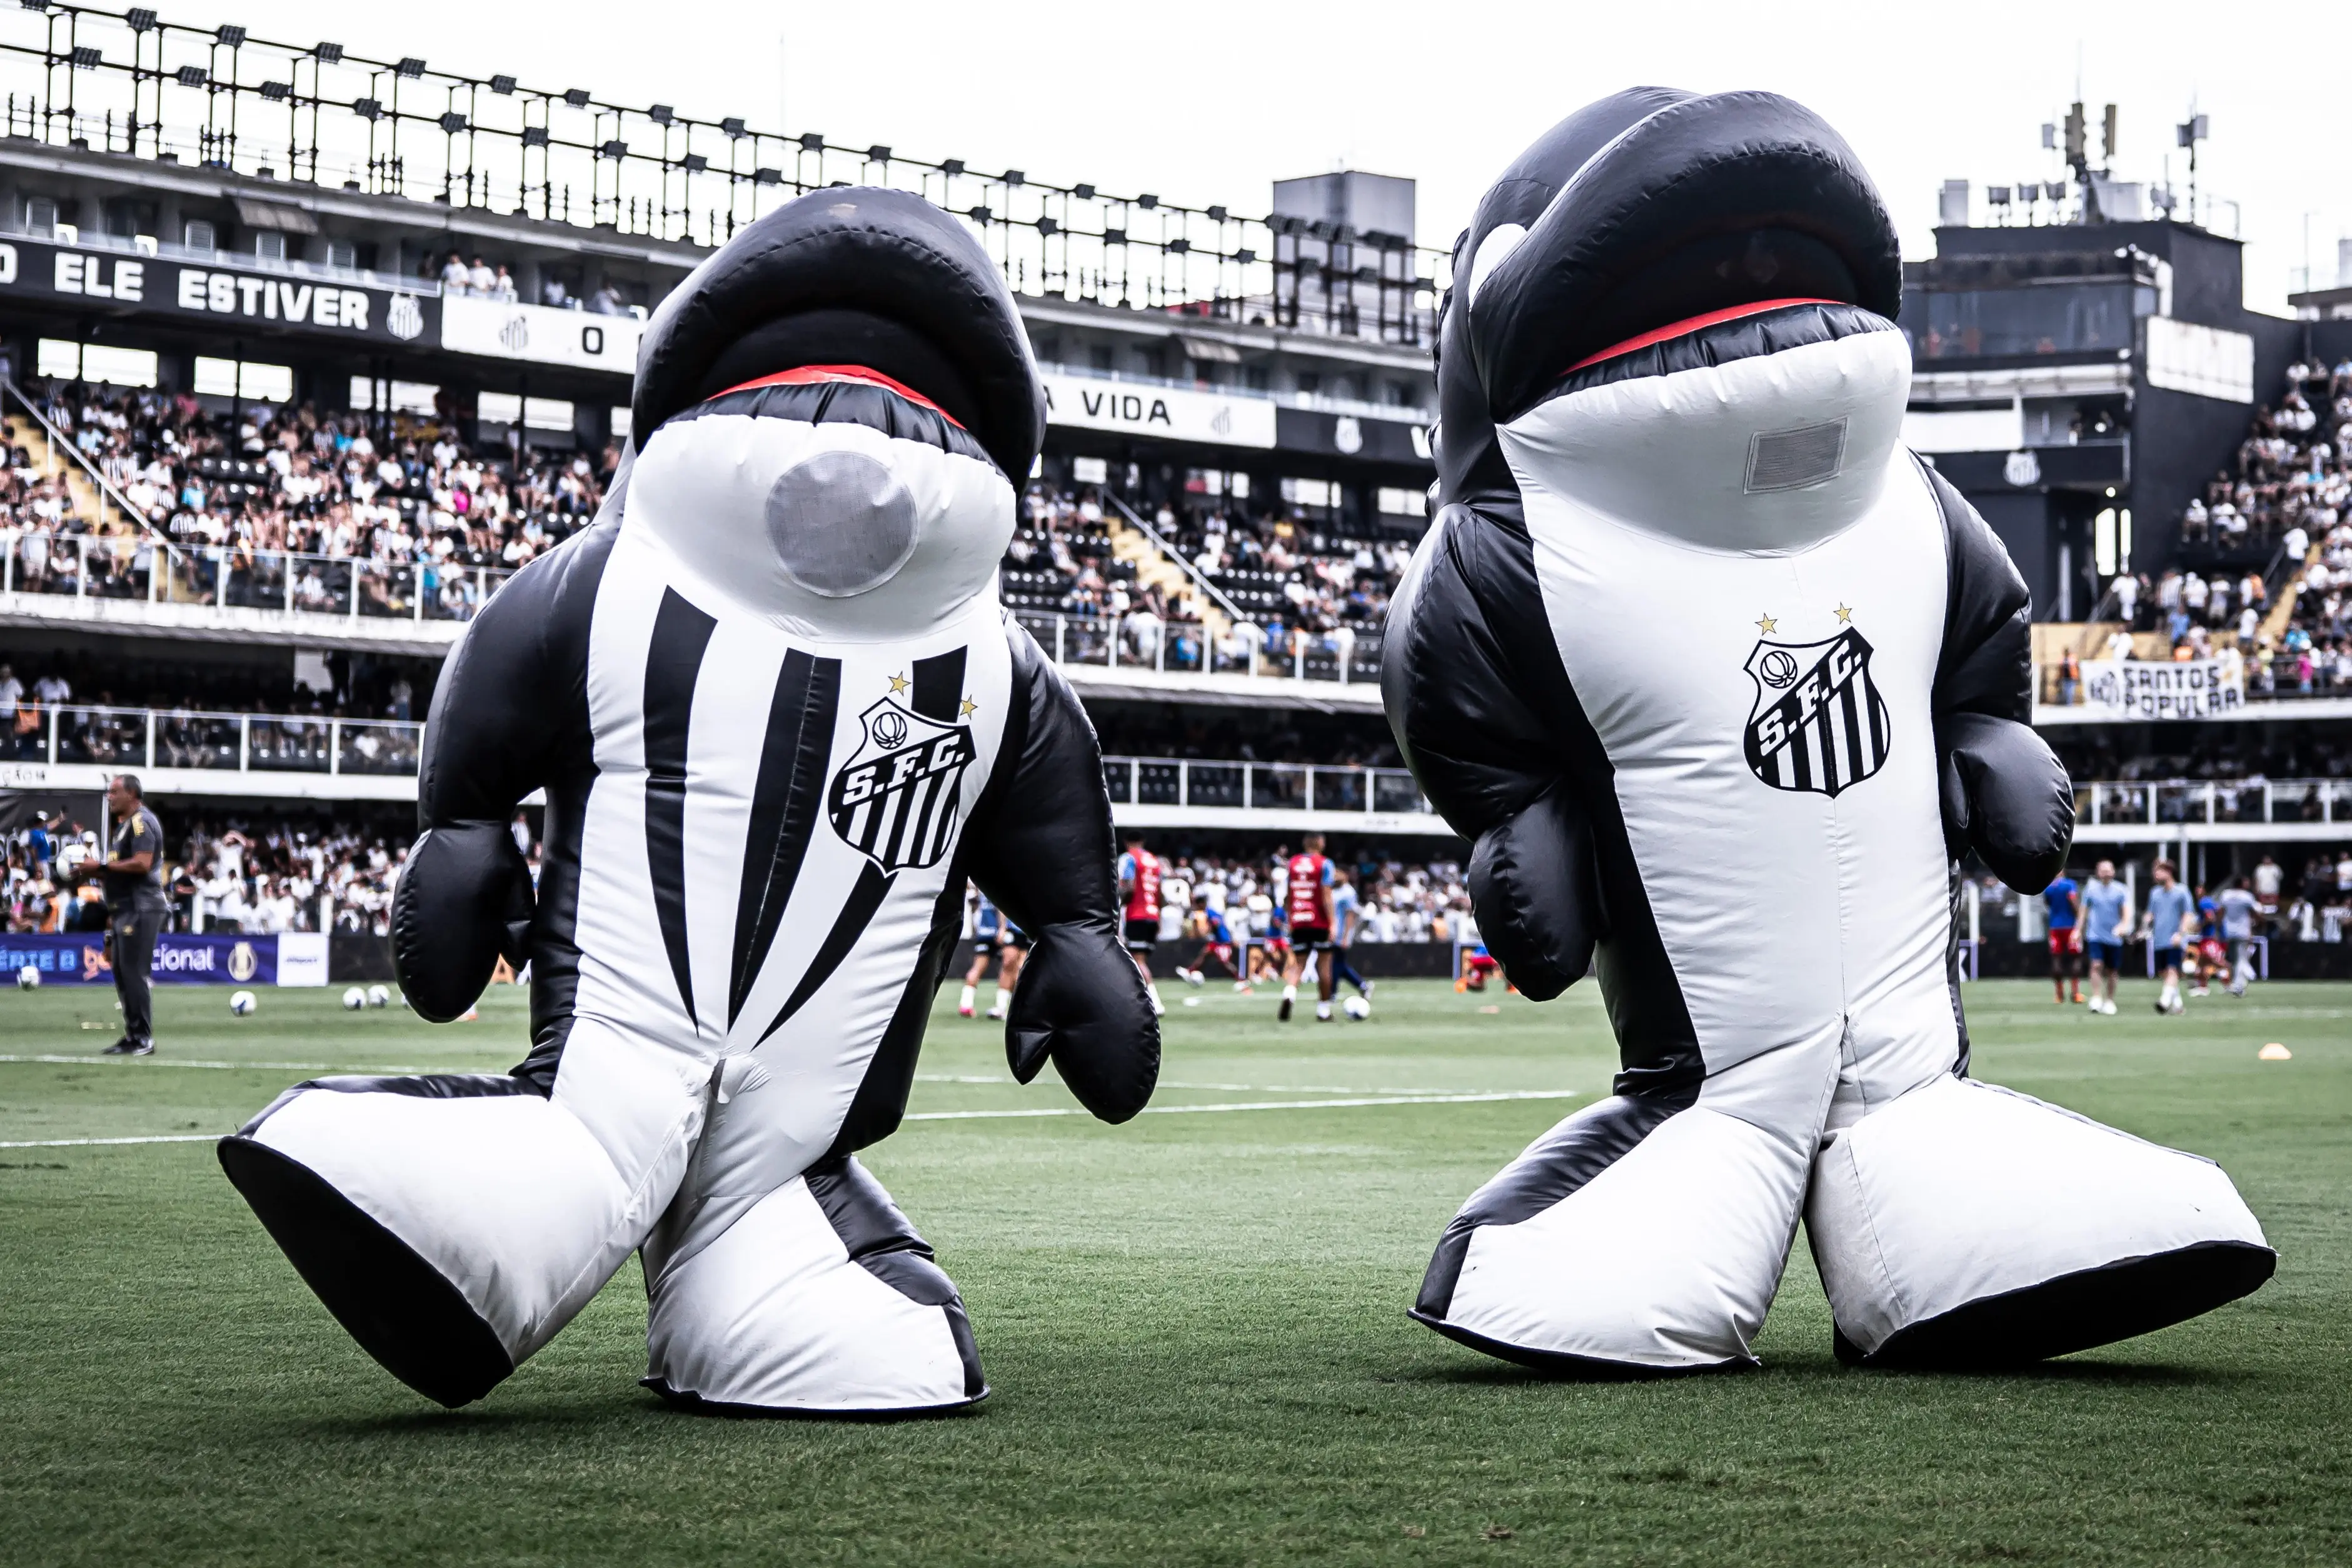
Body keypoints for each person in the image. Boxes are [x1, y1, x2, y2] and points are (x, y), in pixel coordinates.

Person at [94, 774, 166, 1056]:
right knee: (122, 974)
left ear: (132, 794)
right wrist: (109, 931)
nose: (109, 797)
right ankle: (133, 1035)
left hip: (142, 906)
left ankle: (144, 1038)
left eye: (113, 792)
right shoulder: (123, 828)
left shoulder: (141, 822)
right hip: (124, 909)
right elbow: (116, 883)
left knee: (135, 973)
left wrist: (100, 868)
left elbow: (142, 864)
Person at [1279, 833, 1337, 1022]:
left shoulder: (1293, 863)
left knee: (1298, 964)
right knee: (1324, 965)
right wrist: (1333, 923)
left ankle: (1289, 993)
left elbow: (1288, 895)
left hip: (1299, 919)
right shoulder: (1325, 864)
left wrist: (1290, 919)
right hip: (1319, 921)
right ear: (1320, 843)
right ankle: (1324, 1011)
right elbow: (1326, 895)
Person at [1115, 832, 1165, 1016]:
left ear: (1126, 841)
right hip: (1152, 914)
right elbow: (1160, 891)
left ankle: (1155, 1002)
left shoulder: (1129, 858)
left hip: (1135, 914)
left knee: (1135, 959)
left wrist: (1118, 903)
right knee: (1135, 959)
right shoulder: (1153, 860)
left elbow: (1128, 886)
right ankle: (1134, 999)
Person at [2139, 859, 2194, 1016]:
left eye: (2158, 871)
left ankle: (2164, 1002)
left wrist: (2181, 934)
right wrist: (2144, 924)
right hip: (2159, 939)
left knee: (2172, 970)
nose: (2155, 875)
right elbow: (2150, 913)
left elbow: (2188, 914)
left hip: (2175, 939)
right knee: (2166, 973)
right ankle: (2178, 1006)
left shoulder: (2182, 891)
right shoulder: (2154, 893)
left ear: (2168, 872)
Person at [2079, 860, 2131, 1016]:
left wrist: (2123, 926)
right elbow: (2083, 912)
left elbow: (2127, 912)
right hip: (2095, 935)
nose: (2106, 873)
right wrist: (2077, 930)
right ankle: (2096, 997)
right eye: (2102, 870)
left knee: (2112, 971)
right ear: (2097, 872)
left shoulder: (2121, 890)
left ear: (2114, 872)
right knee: (2096, 965)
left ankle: (2109, 1000)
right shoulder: (2091, 890)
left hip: (2114, 937)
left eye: (2108, 870)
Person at [1325, 864, 1372, 1004]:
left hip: (1341, 933)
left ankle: (1332, 993)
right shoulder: (1333, 891)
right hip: (1332, 931)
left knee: (1335, 963)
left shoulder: (1348, 892)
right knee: (1338, 964)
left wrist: (1346, 937)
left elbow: (1350, 915)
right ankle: (1362, 985)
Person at [959, 887, 1003, 1018]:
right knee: (1011, 968)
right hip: (997, 933)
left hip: (983, 932)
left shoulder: (980, 888)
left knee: (977, 967)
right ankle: (1003, 1006)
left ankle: (966, 1004)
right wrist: (1002, 928)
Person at [2218, 876, 2262, 997]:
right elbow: (2255, 912)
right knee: (2241, 958)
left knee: (2231, 959)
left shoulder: (2225, 895)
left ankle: (2231, 984)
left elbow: (2220, 912)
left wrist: (2218, 927)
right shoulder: (2247, 896)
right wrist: (2258, 922)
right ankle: (2238, 986)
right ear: (2242, 884)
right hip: (2242, 931)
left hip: (2228, 931)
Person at [2044, 867, 2083, 1005]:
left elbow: (2047, 904)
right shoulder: (2070, 884)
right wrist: (2080, 918)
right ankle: (2075, 993)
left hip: (2055, 927)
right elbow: (2073, 901)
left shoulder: (2048, 888)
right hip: (2071, 927)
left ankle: (2059, 995)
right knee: (2075, 958)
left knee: (2056, 958)